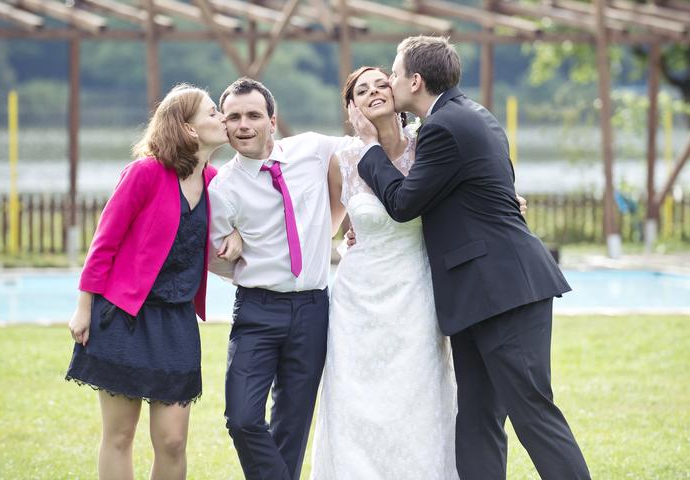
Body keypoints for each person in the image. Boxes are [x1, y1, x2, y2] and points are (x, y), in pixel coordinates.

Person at [350, 36, 590, 479]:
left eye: (394, 74)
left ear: (415, 81)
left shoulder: (444, 127)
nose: (390, 82)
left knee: (532, 412)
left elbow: (404, 203)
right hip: (474, 293)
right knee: (478, 418)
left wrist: (369, 149)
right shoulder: (467, 115)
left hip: (503, 290)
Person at [66, 84, 242, 480]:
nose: (223, 118)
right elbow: (105, 242)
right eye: (213, 112)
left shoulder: (217, 182)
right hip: (123, 317)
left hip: (177, 323)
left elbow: (242, 220)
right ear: (190, 128)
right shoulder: (145, 173)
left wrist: (237, 234)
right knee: (119, 435)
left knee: (173, 441)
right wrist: (84, 307)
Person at [310, 66, 459, 479]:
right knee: (354, 400)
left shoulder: (426, 147)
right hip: (357, 301)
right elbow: (328, 228)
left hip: (415, 291)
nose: (374, 91)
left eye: (381, 84)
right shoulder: (343, 161)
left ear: (397, 94)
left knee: (417, 394)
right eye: (362, 90)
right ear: (351, 107)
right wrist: (348, 239)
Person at [207, 77, 353, 480]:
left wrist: (349, 217)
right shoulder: (223, 188)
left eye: (254, 115)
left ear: (273, 121)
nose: (244, 125)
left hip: (312, 307)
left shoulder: (313, 149)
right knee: (242, 417)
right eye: (234, 117)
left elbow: (362, 154)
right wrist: (249, 267)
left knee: (293, 423)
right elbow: (216, 257)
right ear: (224, 124)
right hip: (257, 309)